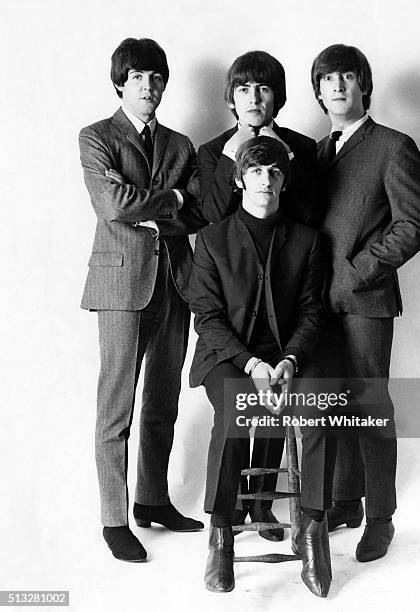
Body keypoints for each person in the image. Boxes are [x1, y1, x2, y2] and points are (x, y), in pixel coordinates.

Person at [189, 137, 336, 596]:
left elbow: (313, 313)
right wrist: (252, 363)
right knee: (236, 413)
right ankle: (220, 535)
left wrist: (289, 359)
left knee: (315, 414)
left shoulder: (309, 241)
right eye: (255, 171)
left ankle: (312, 530)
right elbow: (207, 318)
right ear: (238, 180)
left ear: (284, 182)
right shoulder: (212, 240)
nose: (266, 180)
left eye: (274, 172)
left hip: (292, 354)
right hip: (228, 357)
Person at [79, 37, 205, 562]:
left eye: (155, 77)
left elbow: (200, 211)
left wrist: (165, 204)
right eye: (137, 78)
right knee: (117, 405)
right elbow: (112, 204)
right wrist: (171, 198)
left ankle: (152, 501)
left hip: (176, 282)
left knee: (163, 400)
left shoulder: (181, 145)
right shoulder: (96, 137)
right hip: (120, 284)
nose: (148, 86)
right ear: (120, 84)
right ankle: (114, 517)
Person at [310, 44, 420, 562]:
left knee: (369, 408)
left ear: (363, 84)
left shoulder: (394, 146)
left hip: (366, 302)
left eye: (346, 77)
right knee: (331, 404)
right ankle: (345, 502)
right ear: (317, 92)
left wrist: (357, 272)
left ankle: (380, 518)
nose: (337, 87)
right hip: (318, 304)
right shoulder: (315, 152)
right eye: (328, 80)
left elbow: (414, 225)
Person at [198, 50, 319, 541]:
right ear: (231, 98)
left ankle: (264, 506)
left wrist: (279, 159)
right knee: (237, 402)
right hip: (228, 344)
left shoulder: (300, 149)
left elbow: (310, 214)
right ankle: (222, 524)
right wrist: (238, 156)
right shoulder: (214, 153)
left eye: (264, 89)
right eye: (244, 89)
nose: (254, 98)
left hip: (279, 333)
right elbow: (210, 215)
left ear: (277, 98)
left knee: (276, 399)